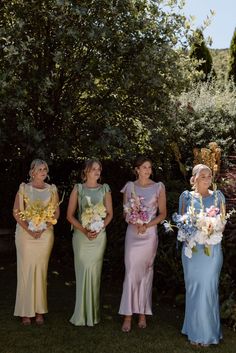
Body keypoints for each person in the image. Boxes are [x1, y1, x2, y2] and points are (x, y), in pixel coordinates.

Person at [179, 164, 225, 346]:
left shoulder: (217, 197)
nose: (207, 179)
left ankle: (207, 333)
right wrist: (194, 233)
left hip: (212, 251)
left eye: (209, 175)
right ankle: (192, 328)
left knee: (208, 288)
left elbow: (222, 223)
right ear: (194, 178)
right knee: (194, 289)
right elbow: (182, 223)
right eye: (203, 175)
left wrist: (211, 231)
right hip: (192, 252)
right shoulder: (186, 197)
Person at [119, 156, 167, 332]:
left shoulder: (158, 187)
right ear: (137, 169)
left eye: (149, 167)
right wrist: (135, 221)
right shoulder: (130, 187)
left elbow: (162, 214)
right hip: (133, 233)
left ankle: (142, 314)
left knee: (146, 273)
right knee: (131, 271)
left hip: (149, 234)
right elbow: (125, 212)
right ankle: (128, 315)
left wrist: (146, 225)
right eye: (144, 167)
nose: (147, 170)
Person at [13, 159, 60, 325]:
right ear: (32, 171)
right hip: (26, 235)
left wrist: (43, 227)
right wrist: (30, 229)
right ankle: (25, 312)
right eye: (40, 169)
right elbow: (17, 212)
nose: (43, 172)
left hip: (45, 235)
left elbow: (55, 213)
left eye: (45, 169)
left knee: (41, 271)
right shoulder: (24, 188)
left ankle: (40, 311)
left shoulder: (52, 189)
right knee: (26, 271)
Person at [67, 159, 113, 326]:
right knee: (82, 273)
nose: (97, 171)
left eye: (99, 169)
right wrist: (85, 230)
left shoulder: (105, 189)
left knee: (94, 274)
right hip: (81, 236)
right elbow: (70, 215)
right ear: (86, 171)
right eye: (94, 169)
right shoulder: (78, 189)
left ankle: (93, 315)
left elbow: (109, 214)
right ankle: (80, 315)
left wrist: (98, 228)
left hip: (99, 237)